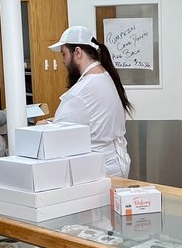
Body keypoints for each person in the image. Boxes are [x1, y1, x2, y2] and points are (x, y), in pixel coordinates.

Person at [48, 26, 133, 178]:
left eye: (64, 54)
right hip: (115, 162)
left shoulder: (82, 91)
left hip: (100, 169)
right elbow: (91, 118)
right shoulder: (105, 77)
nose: (63, 61)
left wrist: (46, 126)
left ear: (77, 52)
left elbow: (59, 135)